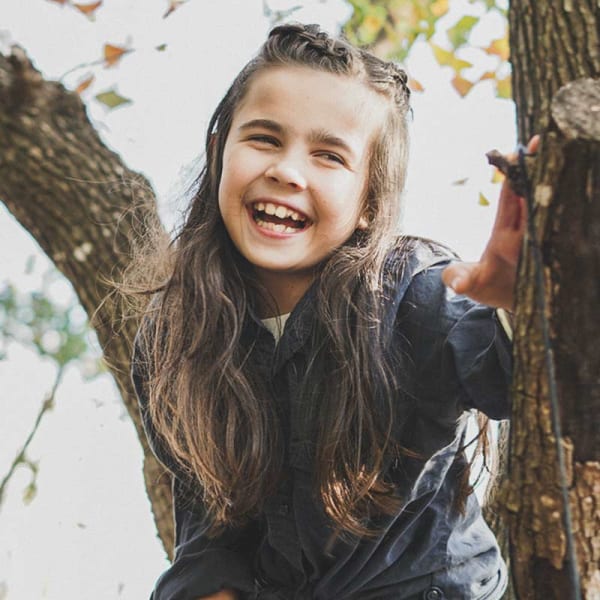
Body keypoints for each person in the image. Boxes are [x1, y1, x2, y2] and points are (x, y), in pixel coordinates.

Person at [130, 23, 537, 600]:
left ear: (369, 201)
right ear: (220, 151)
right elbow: (212, 537)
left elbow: (505, 372)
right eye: (265, 139)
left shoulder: (412, 295)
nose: (287, 171)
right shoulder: (177, 338)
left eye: (329, 155)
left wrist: (521, 308)